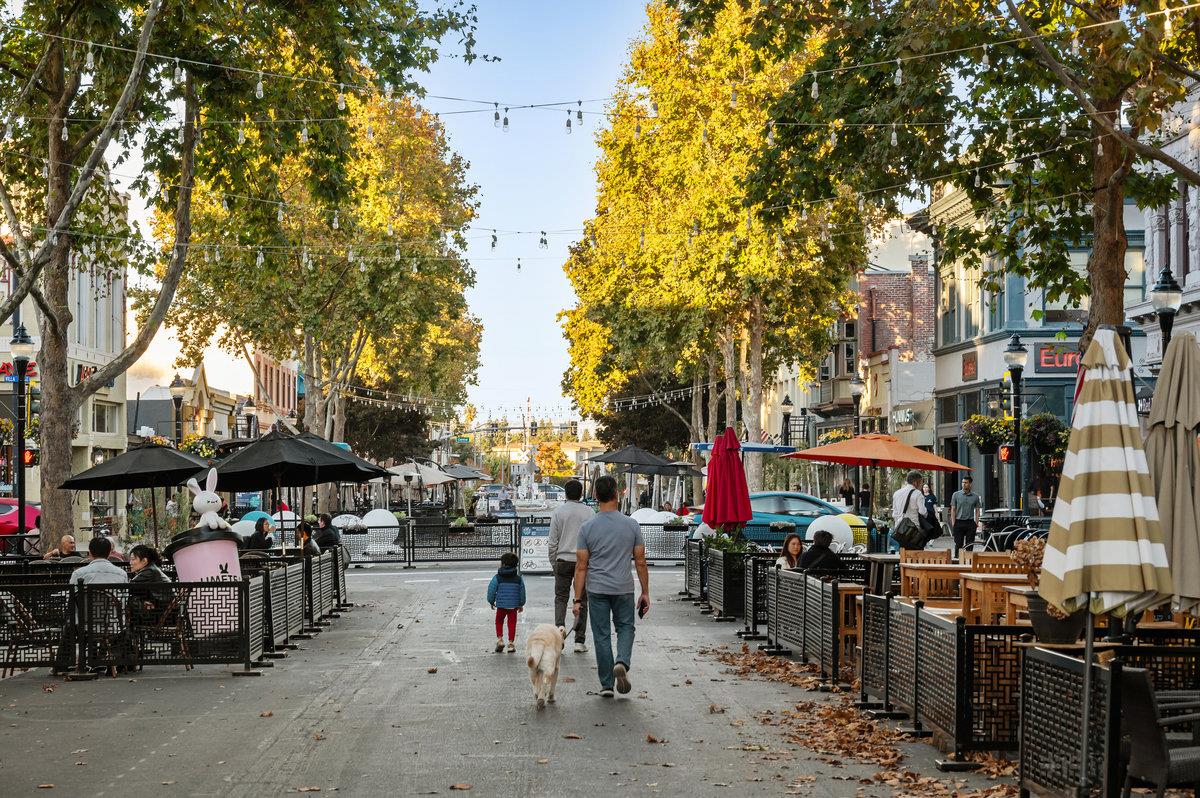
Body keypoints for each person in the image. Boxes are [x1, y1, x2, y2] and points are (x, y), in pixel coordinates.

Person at [572, 475, 650, 698]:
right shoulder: (631, 524)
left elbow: (581, 566)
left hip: (596, 589)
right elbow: (641, 561)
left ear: (595, 496)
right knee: (626, 628)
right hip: (623, 588)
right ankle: (622, 662)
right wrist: (645, 592)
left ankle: (607, 684)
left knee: (601, 634)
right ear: (617, 493)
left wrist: (577, 600)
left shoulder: (587, 528)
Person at [548, 479, 593, 653]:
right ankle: (579, 641)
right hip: (583, 561)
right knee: (581, 599)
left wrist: (554, 562)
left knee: (560, 597)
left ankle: (560, 628)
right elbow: (593, 540)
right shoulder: (589, 512)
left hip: (562, 560)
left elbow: (553, 542)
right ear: (581, 493)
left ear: (565, 493)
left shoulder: (558, 512)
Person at [487, 551, 526, 653]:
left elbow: (491, 589)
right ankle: (511, 643)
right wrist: (521, 604)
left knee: (499, 621)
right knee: (512, 623)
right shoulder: (518, 579)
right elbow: (522, 592)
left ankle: (500, 639)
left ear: (503, 564)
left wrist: (491, 601)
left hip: (501, 605)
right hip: (513, 606)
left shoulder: (497, 577)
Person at [128, 544, 173, 619]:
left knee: (130, 599)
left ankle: (129, 628)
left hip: (160, 615)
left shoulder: (149, 570)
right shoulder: (152, 568)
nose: (130, 562)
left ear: (144, 561)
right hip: (165, 612)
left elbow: (129, 587)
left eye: (133, 559)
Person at [891, 470, 927, 549]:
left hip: (899, 530)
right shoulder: (917, 493)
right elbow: (923, 512)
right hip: (913, 530)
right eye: (921, 482)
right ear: (915, 482)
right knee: (915, 555)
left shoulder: (897, 493)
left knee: (903, 554)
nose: (921, 485)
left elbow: (894, 513)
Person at [949, 476, 984, 557]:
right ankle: (957, 560)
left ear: (970, 484)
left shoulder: (975, 496)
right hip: (959, 522)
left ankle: (969, 561)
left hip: (970, 523)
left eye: (966, 482)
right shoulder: (956, 495)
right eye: (963, 482)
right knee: (958, 544)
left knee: (970, 544)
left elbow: (978, 510)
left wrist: (976, 523)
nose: (963, 484)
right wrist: (954, 523)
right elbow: (953, 509)